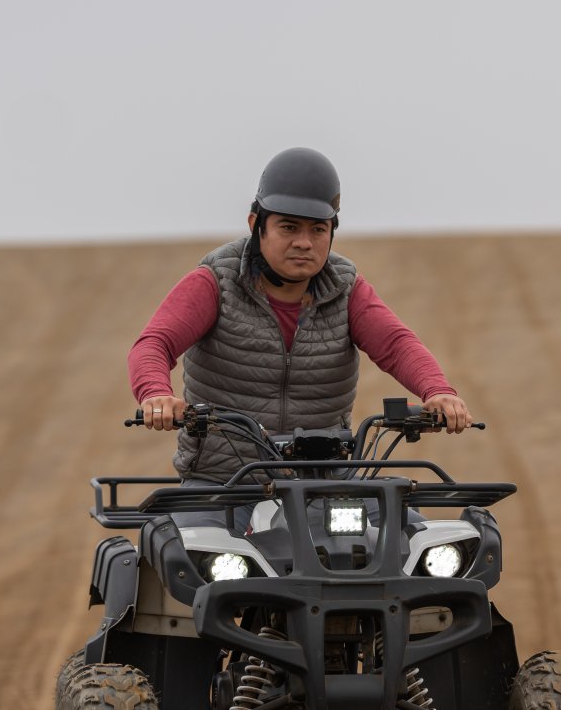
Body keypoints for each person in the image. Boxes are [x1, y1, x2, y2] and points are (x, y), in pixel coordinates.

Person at [128, 147, 470, 483]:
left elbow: (397, 345)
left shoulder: (346, 288)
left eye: (317, 229)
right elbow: (154, 344)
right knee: (189, 540)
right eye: (289, 228)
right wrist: (156, 394)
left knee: (410, 533)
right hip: (223, 482)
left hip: (324, 480)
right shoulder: (215, 282)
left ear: (332, 232)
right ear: (256, 225)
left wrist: (438, 391)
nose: (304, 242)